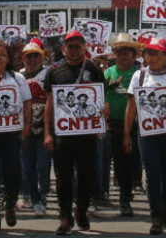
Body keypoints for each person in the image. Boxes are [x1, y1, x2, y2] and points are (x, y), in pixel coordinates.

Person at [43, 29, 109, 236]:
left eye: (77, 46)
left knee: (86, 176)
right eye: (70, 46)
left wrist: (105, 111)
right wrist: (47, 133)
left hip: (87, 134)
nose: (73, 50)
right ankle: (64, 217)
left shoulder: (93, 70)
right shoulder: (54, 72)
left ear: (84, 48)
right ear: (63, 49)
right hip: (63, 135)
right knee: (62, 178)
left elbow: (101, 98)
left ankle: (81, 210)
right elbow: (49, 104)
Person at [124, 38, 166, 235]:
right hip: (148, 134)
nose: (151, 58)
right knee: (153, 175)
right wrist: (126, 134)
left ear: (165, 56)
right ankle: (156, 216)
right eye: (147, 54)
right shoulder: (139, 76)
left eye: (155, 54)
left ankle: (163, 210)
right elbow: (131, 106)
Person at [0, 39, 28, 232]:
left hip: (11, 134)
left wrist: (27, 127)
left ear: (8, 59)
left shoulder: (18, 79)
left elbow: (27, 103)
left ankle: (9, 205)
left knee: (12, 173)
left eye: (2, 54)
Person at [104, 34, 141, 218]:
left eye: (126, 53)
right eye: (118, 53)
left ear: (134, 56)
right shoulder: (108, 73)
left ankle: (128, 193)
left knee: (131, 162)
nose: (122, 57)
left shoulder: (139, 75)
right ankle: (115, 197)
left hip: (135, 125)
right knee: (114, 162)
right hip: (112, 124)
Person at [20, 39, 52, 216]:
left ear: (42, 58)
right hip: (25, 129)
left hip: (43, 127)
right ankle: (33, 197)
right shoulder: (17, 77)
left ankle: (42, 198)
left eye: (35, 57)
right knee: (27, 167)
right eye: (28, 57)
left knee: (43, 166)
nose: (32, 61)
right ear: (23, 59)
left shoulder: (49, 75)